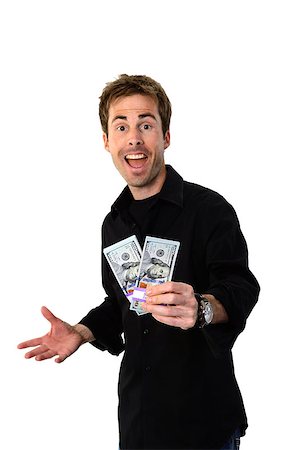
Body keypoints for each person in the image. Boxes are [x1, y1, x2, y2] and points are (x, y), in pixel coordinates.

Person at [18, 74, 260, 450]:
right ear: (107, 142)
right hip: (138, 421)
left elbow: (241, 288)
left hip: (204, 423)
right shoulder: (113, 224)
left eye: (146, 124)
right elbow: (121, 304)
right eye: (121, 126)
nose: (134, 137)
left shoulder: (209, 210)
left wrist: (202, 309)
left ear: (165, 137)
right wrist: (81, 333)